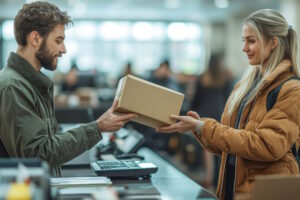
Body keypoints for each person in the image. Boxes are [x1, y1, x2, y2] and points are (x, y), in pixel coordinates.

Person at [157, 9, 300, 200]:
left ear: (273, 43)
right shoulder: (246, 85)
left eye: (251, 41)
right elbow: (230, 144)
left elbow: (268, 145)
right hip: (233, 187)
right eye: (244, 41)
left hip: (265, 191)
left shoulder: (292, 89)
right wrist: (198, 128)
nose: (244, 48)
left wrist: (205, 127)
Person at [0, 1, 137, 176]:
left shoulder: (30, 83)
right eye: (58, 41)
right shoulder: (14, 86)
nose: (63, 49)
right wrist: (98, 127)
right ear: (35, 38)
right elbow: (39, 154)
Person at [190, 53, 233, 189]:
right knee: (220, 146)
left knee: (207, 148)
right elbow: (229, 98)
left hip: (205, 114)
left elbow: (196, 100)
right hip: (220, 113)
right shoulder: (226, 77)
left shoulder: (202, 78)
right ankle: (219, 179)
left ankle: (209, 178)